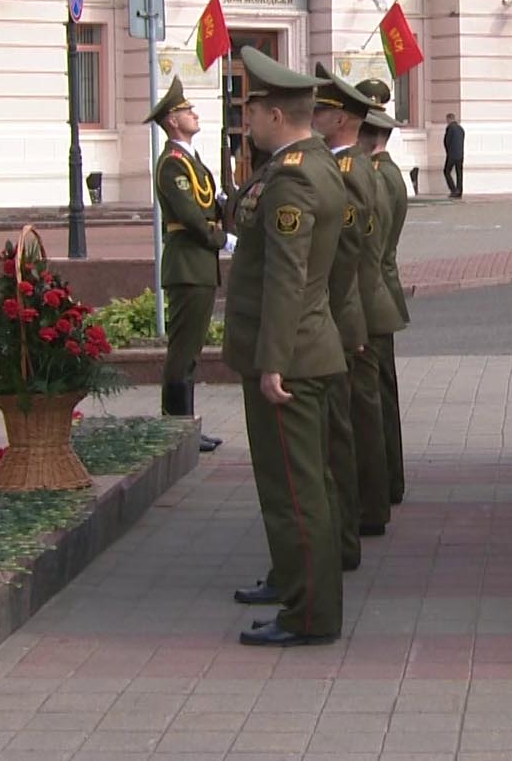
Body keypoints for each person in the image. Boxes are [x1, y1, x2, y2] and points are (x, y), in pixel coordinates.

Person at [223, 46, 348, 647]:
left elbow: (287, 275)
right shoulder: (309, 164)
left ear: (276, 116)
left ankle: (309, 615)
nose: (246, 123)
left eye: (252, 113)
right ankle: (303, 595)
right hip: (307, 346)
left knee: (294, 492)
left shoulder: (295, 175)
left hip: (289, 357)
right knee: (307, 485)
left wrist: (273, 359)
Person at [311, 66, 393, 565]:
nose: (314, 116)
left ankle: (363, 511)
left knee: (351, 420)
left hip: (349, 312)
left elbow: (349, 253)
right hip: (352, 310)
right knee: (356, 416)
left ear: (341, 119)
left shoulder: (350, 170)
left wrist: (345, 317)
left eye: (320, 110)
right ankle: (366, 508)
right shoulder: (349, 166)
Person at [144, 77, 227, 453]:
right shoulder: (171, 164)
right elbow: (191, 216)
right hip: (188, 266)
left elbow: (211, 203)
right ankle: (175, 434)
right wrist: (222, 239)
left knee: (191, 352)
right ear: (173, 121)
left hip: (200, 266)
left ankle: (186, 430)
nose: (194, 114)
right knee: (182, 352)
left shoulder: (190, 160)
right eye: (187, 110)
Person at [357, 79, 411, 505]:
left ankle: (381, 486)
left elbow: (368, 253)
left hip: (372, 295)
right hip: (383, 293)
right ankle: (390, 481)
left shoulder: (375, 177)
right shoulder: (387, 171)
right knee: (382, 394)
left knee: (372, 398)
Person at [442, 112, 466, 198]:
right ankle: (459, 190)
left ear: (449, 119)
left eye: (447, 120)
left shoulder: (450, 128)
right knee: (459, 173)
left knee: (446, 171)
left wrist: (448, 152)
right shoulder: (461, 129)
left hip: (452, 154)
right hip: (460, 154)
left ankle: (453, 189)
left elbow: (447, 141)